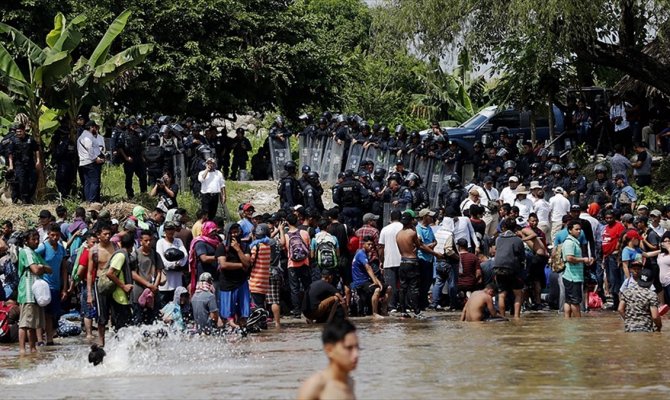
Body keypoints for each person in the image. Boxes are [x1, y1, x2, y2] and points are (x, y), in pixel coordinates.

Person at [298, 319, 359, 400]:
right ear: (329, 350)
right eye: (349, 348)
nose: (356, 354)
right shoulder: (316, 386)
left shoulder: (350, 383)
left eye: (357, 347)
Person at [17, 229, 50, 354]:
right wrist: (42, 268)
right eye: (33, 239)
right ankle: (22, 350)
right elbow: (36, 269)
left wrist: (42, 267)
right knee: (24, 323)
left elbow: (49, 269)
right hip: (28, 292)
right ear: (26, 241)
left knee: (33, 324)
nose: (36, 242)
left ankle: (32, 349)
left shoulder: (35, 253)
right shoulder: (26, 252)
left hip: (36, 294)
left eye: (37, 239)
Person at [35, 223, 67, 345]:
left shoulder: (61, 248)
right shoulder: (43, 247)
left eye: (57, 235)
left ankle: (49, 339)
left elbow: (64, 269)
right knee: (41, 312)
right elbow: (33, 259)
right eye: (52, 235)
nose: (54, 238)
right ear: (48, 235)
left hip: (56, 286)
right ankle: (40, 340)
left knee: (51, 314)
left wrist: (64, 288)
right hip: (44, 285)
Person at [86, 225, 117, 347]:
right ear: (98, 235)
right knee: (101, 316)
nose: (108, 236)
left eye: (109, 234)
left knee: (116, 313)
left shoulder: (115, 247)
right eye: (105, 234)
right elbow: (89, 273)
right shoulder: (94, 251)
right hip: (100, 284)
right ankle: (101, 342)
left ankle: (116, 340)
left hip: (114, 283)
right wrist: (89, 294)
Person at [216, 223, 251, 330]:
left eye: (237, 231)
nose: (235, 235)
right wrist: (241, 265)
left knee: (243, 314)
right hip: (227, 284)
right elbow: (223, 265)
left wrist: (238, 249)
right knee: (226, 315)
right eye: (233, 232)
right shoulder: (222, 247)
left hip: (241, 282)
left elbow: (248, 263)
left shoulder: (244, 246)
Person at [493, 218, 525, 319]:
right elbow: (522, 257)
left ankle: (502, 317)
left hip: (498, 269)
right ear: (515, 228)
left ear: (504, 227)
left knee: (502, 294)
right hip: (512, 269)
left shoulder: (498, 239)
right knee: (518, 294)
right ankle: (516, 317)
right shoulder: (518, 240)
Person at [104, 233, 135, 336]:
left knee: (125, 328)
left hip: (123, 297)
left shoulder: (123, 254)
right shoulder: (121, 256)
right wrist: (123, 286)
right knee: (122, 327)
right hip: (118, 297)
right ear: (132, 245)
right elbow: (110, 273)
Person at [561, 220, 594, 318]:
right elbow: (569, 258)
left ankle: (568, 320)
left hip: (572, 276)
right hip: (572, 277)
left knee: (569, 300)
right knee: (575, 302)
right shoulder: (570, 243)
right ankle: (578, 321)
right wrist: (584, 260)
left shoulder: (574, 242)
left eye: (580, 229)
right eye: (576, 229)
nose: (579, 231)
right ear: (570, 230)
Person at [351, 236, 388, 318]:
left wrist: (378, 281)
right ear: (363, 244)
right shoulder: (361, 253)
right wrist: (375, 282)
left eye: (372, 244)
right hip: (360, 282)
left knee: (388, 288)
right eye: (369, 244)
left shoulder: (365, 254)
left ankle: (384, 310)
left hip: (367, 279)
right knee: (377, 289)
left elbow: (371, 271)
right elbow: (368, 268)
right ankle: (375, 313)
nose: (371, 246)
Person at [396, 212, 425, 318]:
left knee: (403, 288)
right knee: (414, 288)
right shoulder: (412, 232)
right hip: (412, 262)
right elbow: (419, 246)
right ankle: (417, 312)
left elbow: (401, 250)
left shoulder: (398, 234)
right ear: (410, 221)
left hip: (403, 262)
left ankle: (403, 311)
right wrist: (435, 253)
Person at [618, 268, 662, 332]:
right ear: (652, 281)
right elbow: (655, 316)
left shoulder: (627, 291)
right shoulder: (652, 295)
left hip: (629, 329)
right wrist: (659, 327)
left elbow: (620, 309)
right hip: (646, 329)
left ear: (639, 279)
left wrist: (628, 321)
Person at [156, 221, 188, 308]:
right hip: (166, 279)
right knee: (164, 305)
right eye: (168, 229)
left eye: (172, 229)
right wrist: (172, 265)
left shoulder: (178, 241)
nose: (170, 231)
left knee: (177, 304)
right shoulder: (160, 242)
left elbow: (184, 255)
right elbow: (161, 258)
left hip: (177, 278)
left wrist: (179, 264)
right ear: (164, 230)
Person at [7, 123, 40, 204]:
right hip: (19, 164)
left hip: (30, 164)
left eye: (20, 131)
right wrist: (11, 165)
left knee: (32, 182)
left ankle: (29, 198)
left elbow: (36, 150)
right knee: (22, 181)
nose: (18, 133)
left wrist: (38, 161)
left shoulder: (30, 139)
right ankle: (24, 200)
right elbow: (10, 153)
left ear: (24, 130)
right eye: (17, 132)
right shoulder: (13, 140)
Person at [378, 210, 403, 312]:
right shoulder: (404, 228)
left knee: (391, 285)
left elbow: (381, 247)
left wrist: (381, 260)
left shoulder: (385, 229)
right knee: (403, 284)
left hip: (389, 261)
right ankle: (403, 305)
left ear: (390, 218)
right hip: (403, 260)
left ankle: (392, 306)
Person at [77, 120, 106, 203]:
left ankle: (88, 200)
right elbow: (90, 149)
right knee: (95, 182)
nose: (95, 129)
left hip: (84, 162)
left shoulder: (82, 136)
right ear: (91, 127)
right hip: (90, 162)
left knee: (87, 182)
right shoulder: (87, 137)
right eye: (94, 127)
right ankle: (92, 201)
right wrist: (96, 159)